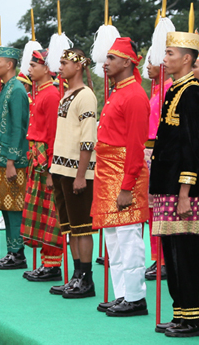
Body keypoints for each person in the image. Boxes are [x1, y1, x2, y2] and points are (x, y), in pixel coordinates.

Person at [92, 37, 150, 317]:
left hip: (125, 174)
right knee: (113, 239)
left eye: (112, 58)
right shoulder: (118, 92)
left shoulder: (136, 95)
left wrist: (127, 187)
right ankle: (122, 294)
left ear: (127, 62)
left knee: (128, 239)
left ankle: (136, 297)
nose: (106, 63)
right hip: (108, 173)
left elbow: (136, 146)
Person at [150, 30, 199, 337]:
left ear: (187, 59)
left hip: (182, 190)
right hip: (166, 186)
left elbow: (192, 147)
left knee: (186, 253)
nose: (164, 58)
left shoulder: (193, 93)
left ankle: (193, 316)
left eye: (170, 54)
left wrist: (185, 192)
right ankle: (180, 313)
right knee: (172, 252)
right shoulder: (172, 90)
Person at [49, 48, 98, 298]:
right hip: (61, 169)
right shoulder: (66, 93)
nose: (60, 66)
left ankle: (86, 279)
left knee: (82, 227)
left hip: (76, 171)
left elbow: (88, 139)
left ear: (78, 66)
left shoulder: (86, 96)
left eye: (65, 62)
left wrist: (81, 174)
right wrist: (53, 170)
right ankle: (76, 275)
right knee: (69, 227)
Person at [20, 49, 64, 282]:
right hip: (36, 159)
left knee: (50, 213)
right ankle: (47, 263)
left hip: (44, 162)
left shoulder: (51, 95)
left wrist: (49, 169)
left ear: (46, 69)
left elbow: (53, 135)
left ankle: (52, 265)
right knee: (41, 212)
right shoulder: (42, 93)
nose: (29, 70)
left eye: (33, 65)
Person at [0, 46, 30, 269]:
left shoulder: (17, 90)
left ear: (10, 65)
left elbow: (19, 128)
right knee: (5, 205)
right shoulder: (7, 88)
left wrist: (11, 160)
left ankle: (18, 254)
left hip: (13, 161)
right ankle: (12, 251)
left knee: (14, 206)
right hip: (1, 158)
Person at [144, 60, 172, 280]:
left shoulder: (169, 87)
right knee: (153, 209)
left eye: (152, 62)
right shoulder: (156, 89)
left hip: (160, 150)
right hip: (149, 150)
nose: (148, 66)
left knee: (161, 208)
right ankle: (158, 258)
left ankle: (164, 260)